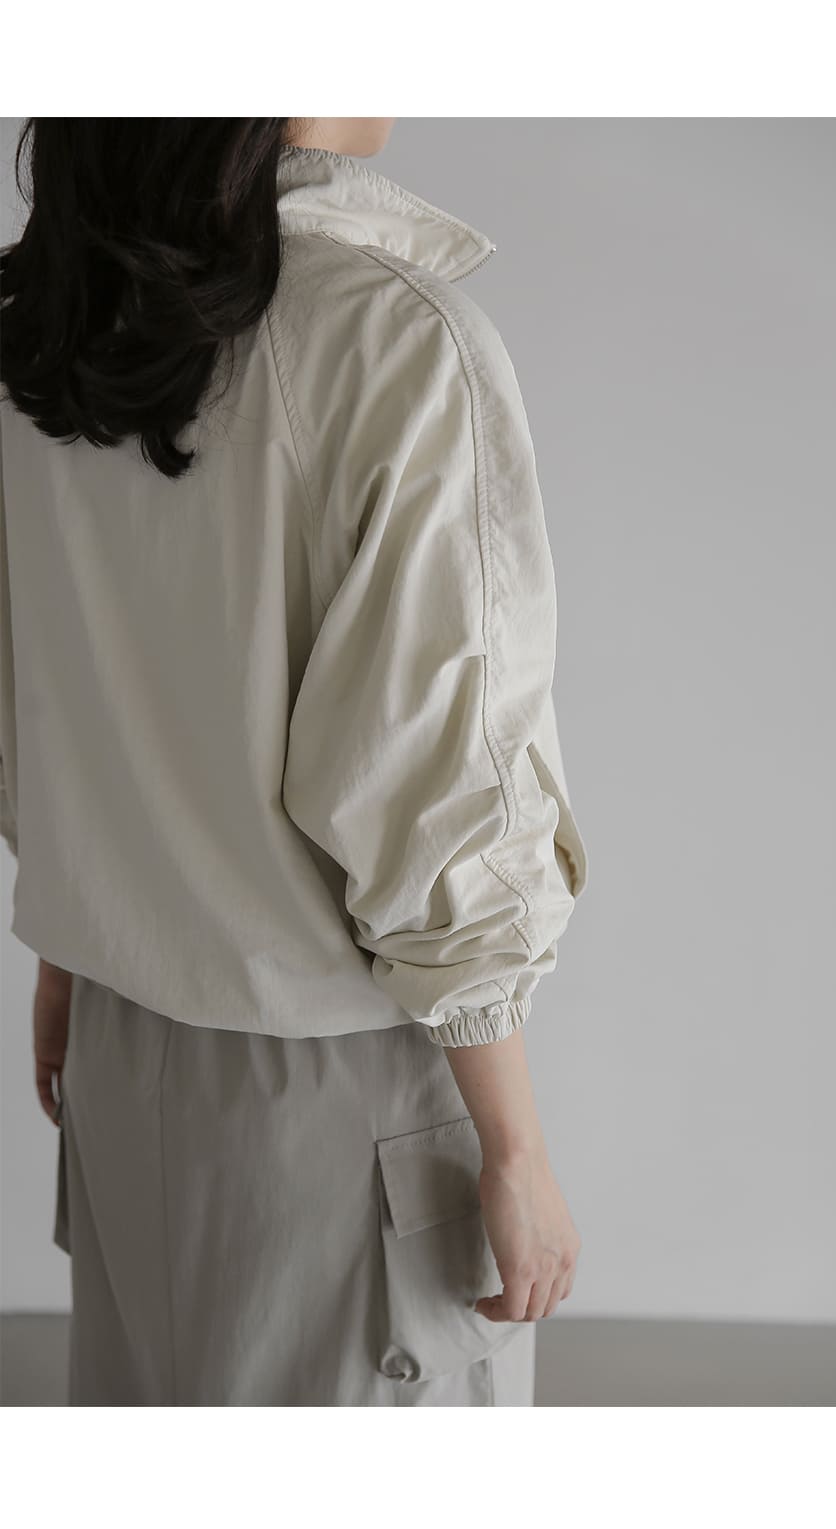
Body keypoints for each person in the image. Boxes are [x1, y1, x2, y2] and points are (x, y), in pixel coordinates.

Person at [0, 116, 589, 1406]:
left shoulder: (46, 329)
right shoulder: (393, 340)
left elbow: (47, 686)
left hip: (119, 1051)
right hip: (344, 1092)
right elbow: (437, 781)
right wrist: (513, 1144)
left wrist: (70, 956)